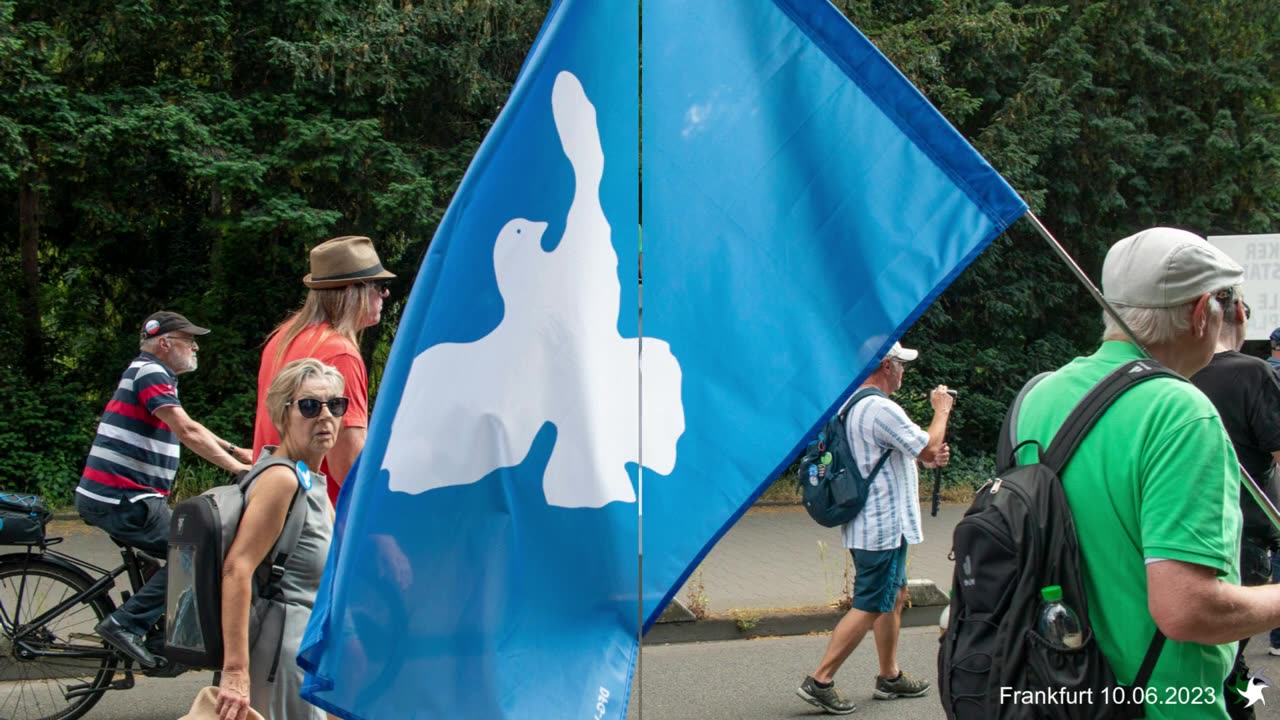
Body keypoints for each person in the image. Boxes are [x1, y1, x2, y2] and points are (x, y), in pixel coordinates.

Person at [1016, 227, 1280, 720]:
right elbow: (1187, 609)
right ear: (1201, 313)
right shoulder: (1181, 412)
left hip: (1057, 689)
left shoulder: (1041, 394)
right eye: (1225, 301)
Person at [77, 311, 253, 668]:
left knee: (185, 550)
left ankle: (158, 630)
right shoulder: (150, 372)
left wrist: (237, 452)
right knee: (198, 552)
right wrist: (239, 471)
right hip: (123, 500)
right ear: (165, 343)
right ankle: (126, 624)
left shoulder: (152, 374)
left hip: (122, 497)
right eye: (189, 340)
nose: (196, 346)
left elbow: (190, 424)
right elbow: (186, 431)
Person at [796, 342, 953, 715]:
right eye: (901, 364)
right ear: (886, 365)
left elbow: (907, 454)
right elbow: (929, 445)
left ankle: (889, 676)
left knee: (894, 596)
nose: (903, 371)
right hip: (881, 526)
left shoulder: (851, 403)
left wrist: (929, 458)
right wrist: (941, 411)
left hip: (875, 523)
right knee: (869, 604)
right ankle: (820, 680)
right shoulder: (880, 408)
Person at [217, 358, 343, 720]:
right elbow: (237, 569)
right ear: (283, 413)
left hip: (303, 656)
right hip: (278, 664)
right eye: (310, 406)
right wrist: (235, 671)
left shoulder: (310, 480)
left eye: (335, 405)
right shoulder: (282, 480)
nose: (325, 416)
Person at [253, 235, 394, 506]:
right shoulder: (340, 353)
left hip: (274, 500)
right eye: (380, 285)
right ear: (353, 292)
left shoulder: (282, 338)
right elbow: (349, 465)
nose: (385, 293)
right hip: (319, 513)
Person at [1190, 291, 1280, 719]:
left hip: (1178, 536)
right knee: (1226, 664)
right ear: (1240, 314)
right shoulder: (1253, 373)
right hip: (1243, 540)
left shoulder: (1170, 373)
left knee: (1216, 661)